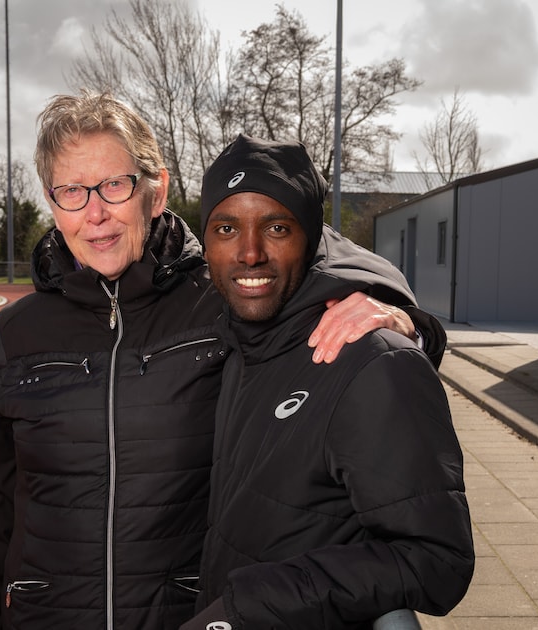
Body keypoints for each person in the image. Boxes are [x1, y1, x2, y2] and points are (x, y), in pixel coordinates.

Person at [0, 92, 446, 630]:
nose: (94, 213)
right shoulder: (15, 333)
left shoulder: (226, 296)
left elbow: (303, 238)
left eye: (114, 185)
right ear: (52, 202)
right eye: (71, 191)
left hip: (192, 614)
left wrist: (403, 316)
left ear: (155, 191)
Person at [182, 134, 475, 629]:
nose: (249, 253)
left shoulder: (373, 361)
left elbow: (437, 559)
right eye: (226, 228)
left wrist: (250, 605)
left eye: (277, 227)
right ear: (206, 241)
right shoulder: (239, 346)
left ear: (312, 237)